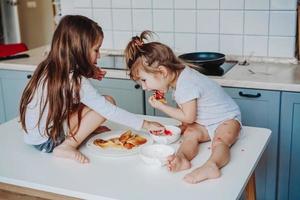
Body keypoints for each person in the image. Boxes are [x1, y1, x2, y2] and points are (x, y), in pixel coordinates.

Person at [19, 16, 164, 164]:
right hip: (48, 141)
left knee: (93, 105)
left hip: (36, 136)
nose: (99, 55)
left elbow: (68, 94)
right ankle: (67, 146)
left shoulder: (48, 67)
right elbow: (108, 110)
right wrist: (145, 124)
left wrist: (89, 72)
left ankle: (84, 130)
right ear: (79, 50)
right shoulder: (75, 80)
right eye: (96, 49)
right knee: (108, 102)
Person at [124, 30, 242, 184]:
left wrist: (162, 106)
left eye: (144, 80)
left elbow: (189, 116)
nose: (144, 87)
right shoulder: (179, 77)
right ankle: (182, 158)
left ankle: (212, 165)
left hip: (227, 119)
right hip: (206, 122)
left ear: (162, 72)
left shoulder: (186, 84)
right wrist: (185, 126)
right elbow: (191, 114)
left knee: (220, 141)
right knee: (191, 133)